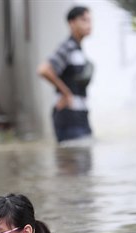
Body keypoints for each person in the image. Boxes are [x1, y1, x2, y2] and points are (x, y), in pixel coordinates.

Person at [37, 6, 93, 143]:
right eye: (84, 20)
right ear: (72, 23)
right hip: (69, 118)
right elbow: (43, 70)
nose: (89, 25)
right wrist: (66, 93)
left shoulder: (78, 49)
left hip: (80, 117)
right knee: (72, 161)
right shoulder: (67, 47)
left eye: (90, 21)